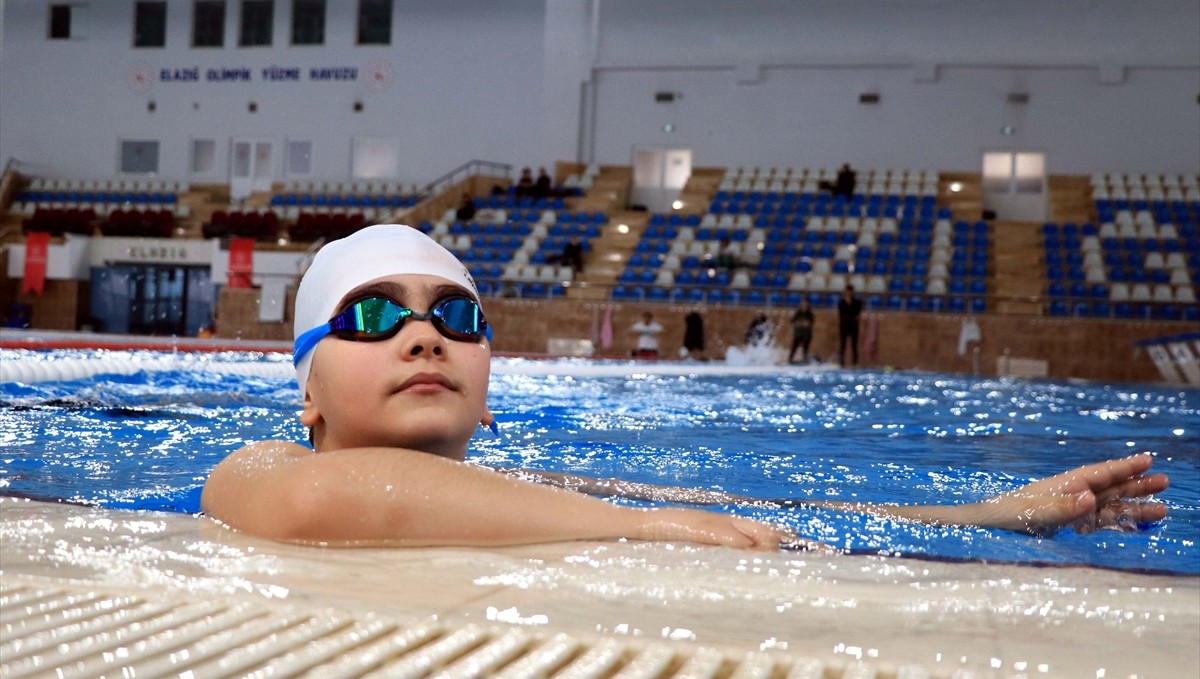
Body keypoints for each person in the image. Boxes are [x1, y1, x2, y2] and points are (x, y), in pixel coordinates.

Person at [201, 224, 1170, 551]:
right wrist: (653, 530)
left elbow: (781, 511)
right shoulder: (257, 465)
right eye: (374, 315)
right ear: (308, 395)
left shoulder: (568, 495)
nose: (423, 332)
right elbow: (322, 499)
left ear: (489, 389)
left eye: (456, 317)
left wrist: (993, 512)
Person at [837, 285, 864, 367]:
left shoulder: (857, 302)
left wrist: (850, 305)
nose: (848, 293)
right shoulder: (841, 302)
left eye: (850, 291)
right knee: (843, 345)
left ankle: (855, 363)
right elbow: (842, 314)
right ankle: (841, 362)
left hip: (853, 326)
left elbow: (857, 314)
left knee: (854, 345)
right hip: (844, 326)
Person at [789, 299, 814, 364]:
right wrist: (802, 323)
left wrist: (800, 323)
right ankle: (790, 360)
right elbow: (794, 322)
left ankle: (805, 360)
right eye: (803, 303)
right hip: (798, 333)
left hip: (806, 334)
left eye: (805, 303)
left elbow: (808, 324)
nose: (804, 305)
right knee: (794, 347)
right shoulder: (798, 313)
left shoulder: (809, 314)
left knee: (805, 349)